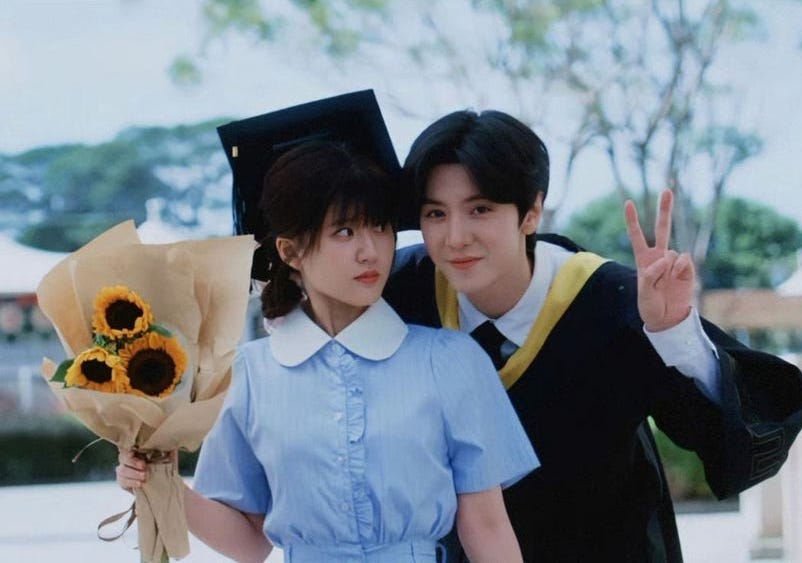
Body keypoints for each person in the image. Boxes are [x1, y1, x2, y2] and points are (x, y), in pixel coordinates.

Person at [117, 94, 539, 563]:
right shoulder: (249, 376)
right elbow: (250, 543)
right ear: (291, 252)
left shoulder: (450, 361)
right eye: (345, 232)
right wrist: (163, 483)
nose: (371, 251)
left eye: (380, 227)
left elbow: (487, 528)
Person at [382, 109, 802, 562]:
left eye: (480, 210)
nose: (455, 238)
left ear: (532, 211)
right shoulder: (405, 292)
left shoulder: (616, 301)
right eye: (436, 213)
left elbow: (732, 445)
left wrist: (673, 334)